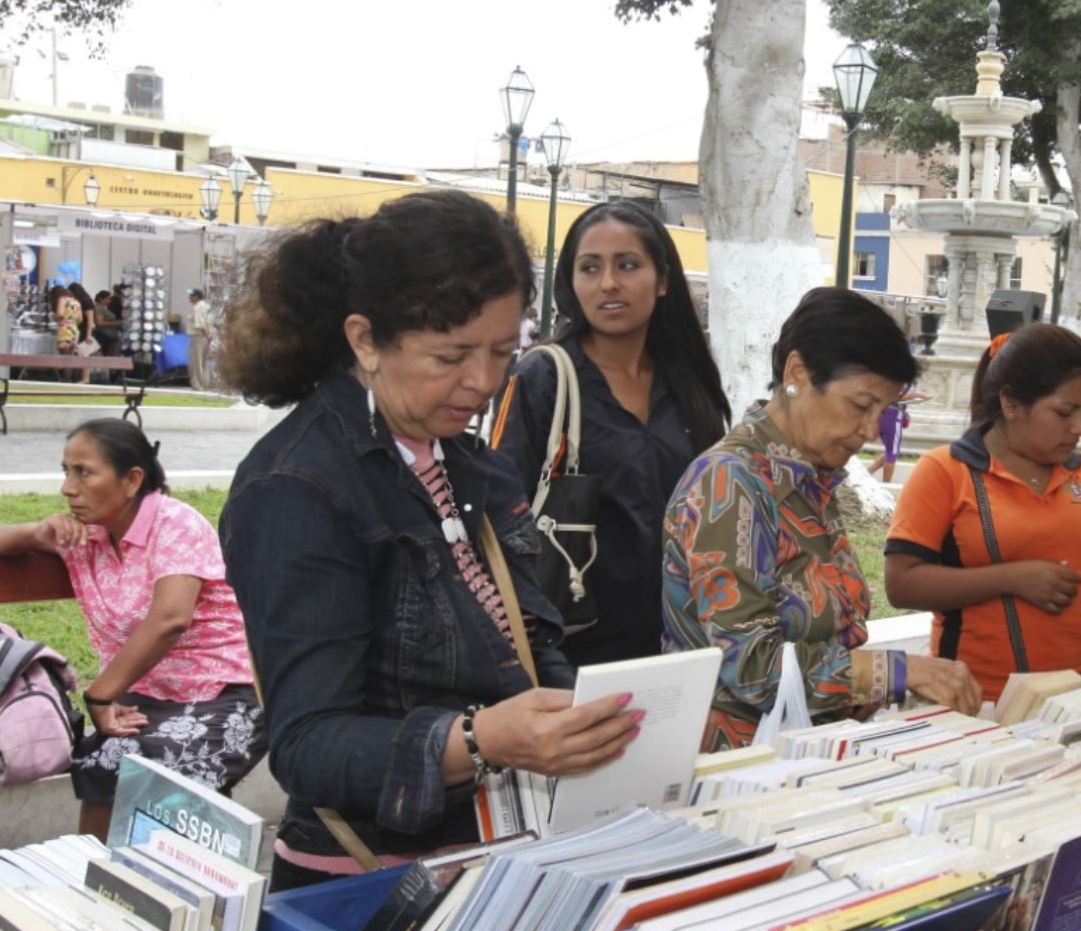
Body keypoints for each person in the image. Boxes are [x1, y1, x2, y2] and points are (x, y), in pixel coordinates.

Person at [217, 190, 639, 889]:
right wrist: (477, 740)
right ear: (364, 340)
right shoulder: (296, 487)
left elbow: (525, 645)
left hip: (495, 855)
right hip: (370, 882)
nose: (483, 381)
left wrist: (589, 717)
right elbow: (307, 746)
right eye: (451, 356)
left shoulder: (471, 461)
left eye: (504, 351)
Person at [664, 287, 978, 751]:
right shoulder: (731, 484)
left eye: (884, 410)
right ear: (797, 374)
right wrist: (896, 671)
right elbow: (750, 667)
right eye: (860, 405)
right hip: (742, 768)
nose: (872, 430)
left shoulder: (810, 479)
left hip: (807, 753)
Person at [0, 420, 264, 840]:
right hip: (144, 696)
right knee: (101, 761)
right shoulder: (84, 537)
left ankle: (181, 891)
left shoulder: (174, 523)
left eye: (84, 472)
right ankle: (91, 882)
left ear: (132, 479)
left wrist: (101, 693)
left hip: (224, 691)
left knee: (172, 773)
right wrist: (36, 531)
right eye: (66, 470)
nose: (67, 487)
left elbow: (170, 619)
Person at [886, 323, 1081, 701]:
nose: (1079, 427)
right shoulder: (945, 472)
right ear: (1010, 403)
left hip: (1080, 696)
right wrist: (1011, 578)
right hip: (977, 701)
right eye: (1064, 412)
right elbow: (901, 585)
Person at [490, 201, 730, 664]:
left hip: (684, 641)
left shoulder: (688, 383)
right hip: (572, 650)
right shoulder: (543, 376)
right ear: (570, 281)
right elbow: (503, 513)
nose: (608, 284)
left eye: (627, 265)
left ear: (661, 281)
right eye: (589, 268)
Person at [867, 388, 928, 485]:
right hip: (892, 416)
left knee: (890, 451)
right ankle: (886, 485)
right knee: (892, 453)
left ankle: (868, 472)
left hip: (882, 415)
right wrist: (917, 394)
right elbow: (894, 395)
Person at [187, 288, 215, 391]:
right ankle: (205, 384)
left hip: (198, 337)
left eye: (191, 295)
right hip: (207, 337)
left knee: (196, 361)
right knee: (204, 361)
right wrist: (209, 336)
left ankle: (198, 385)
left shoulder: (197, 308)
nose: (189, 297)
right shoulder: (207, 307)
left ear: (197, 296)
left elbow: (200, 325)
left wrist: (207, 335)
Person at [49, 284, 81, 357]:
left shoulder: (62, 299)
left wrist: (54, 317)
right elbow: (80, 319)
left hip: (64, 329)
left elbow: (60, 314)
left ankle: (65, 368)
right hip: (74, 329)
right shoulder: (76, 301)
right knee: (71, 354)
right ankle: (70, 368)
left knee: (64, 355)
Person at [92, 290, 121, 359]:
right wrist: (117, 323)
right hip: (105, 336)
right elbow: (99, 323)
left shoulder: (104, 309)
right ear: (101, 299)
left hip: (109, 337)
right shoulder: (99, 308)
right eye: (108, 298)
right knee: (110, 357)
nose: (109, 300)